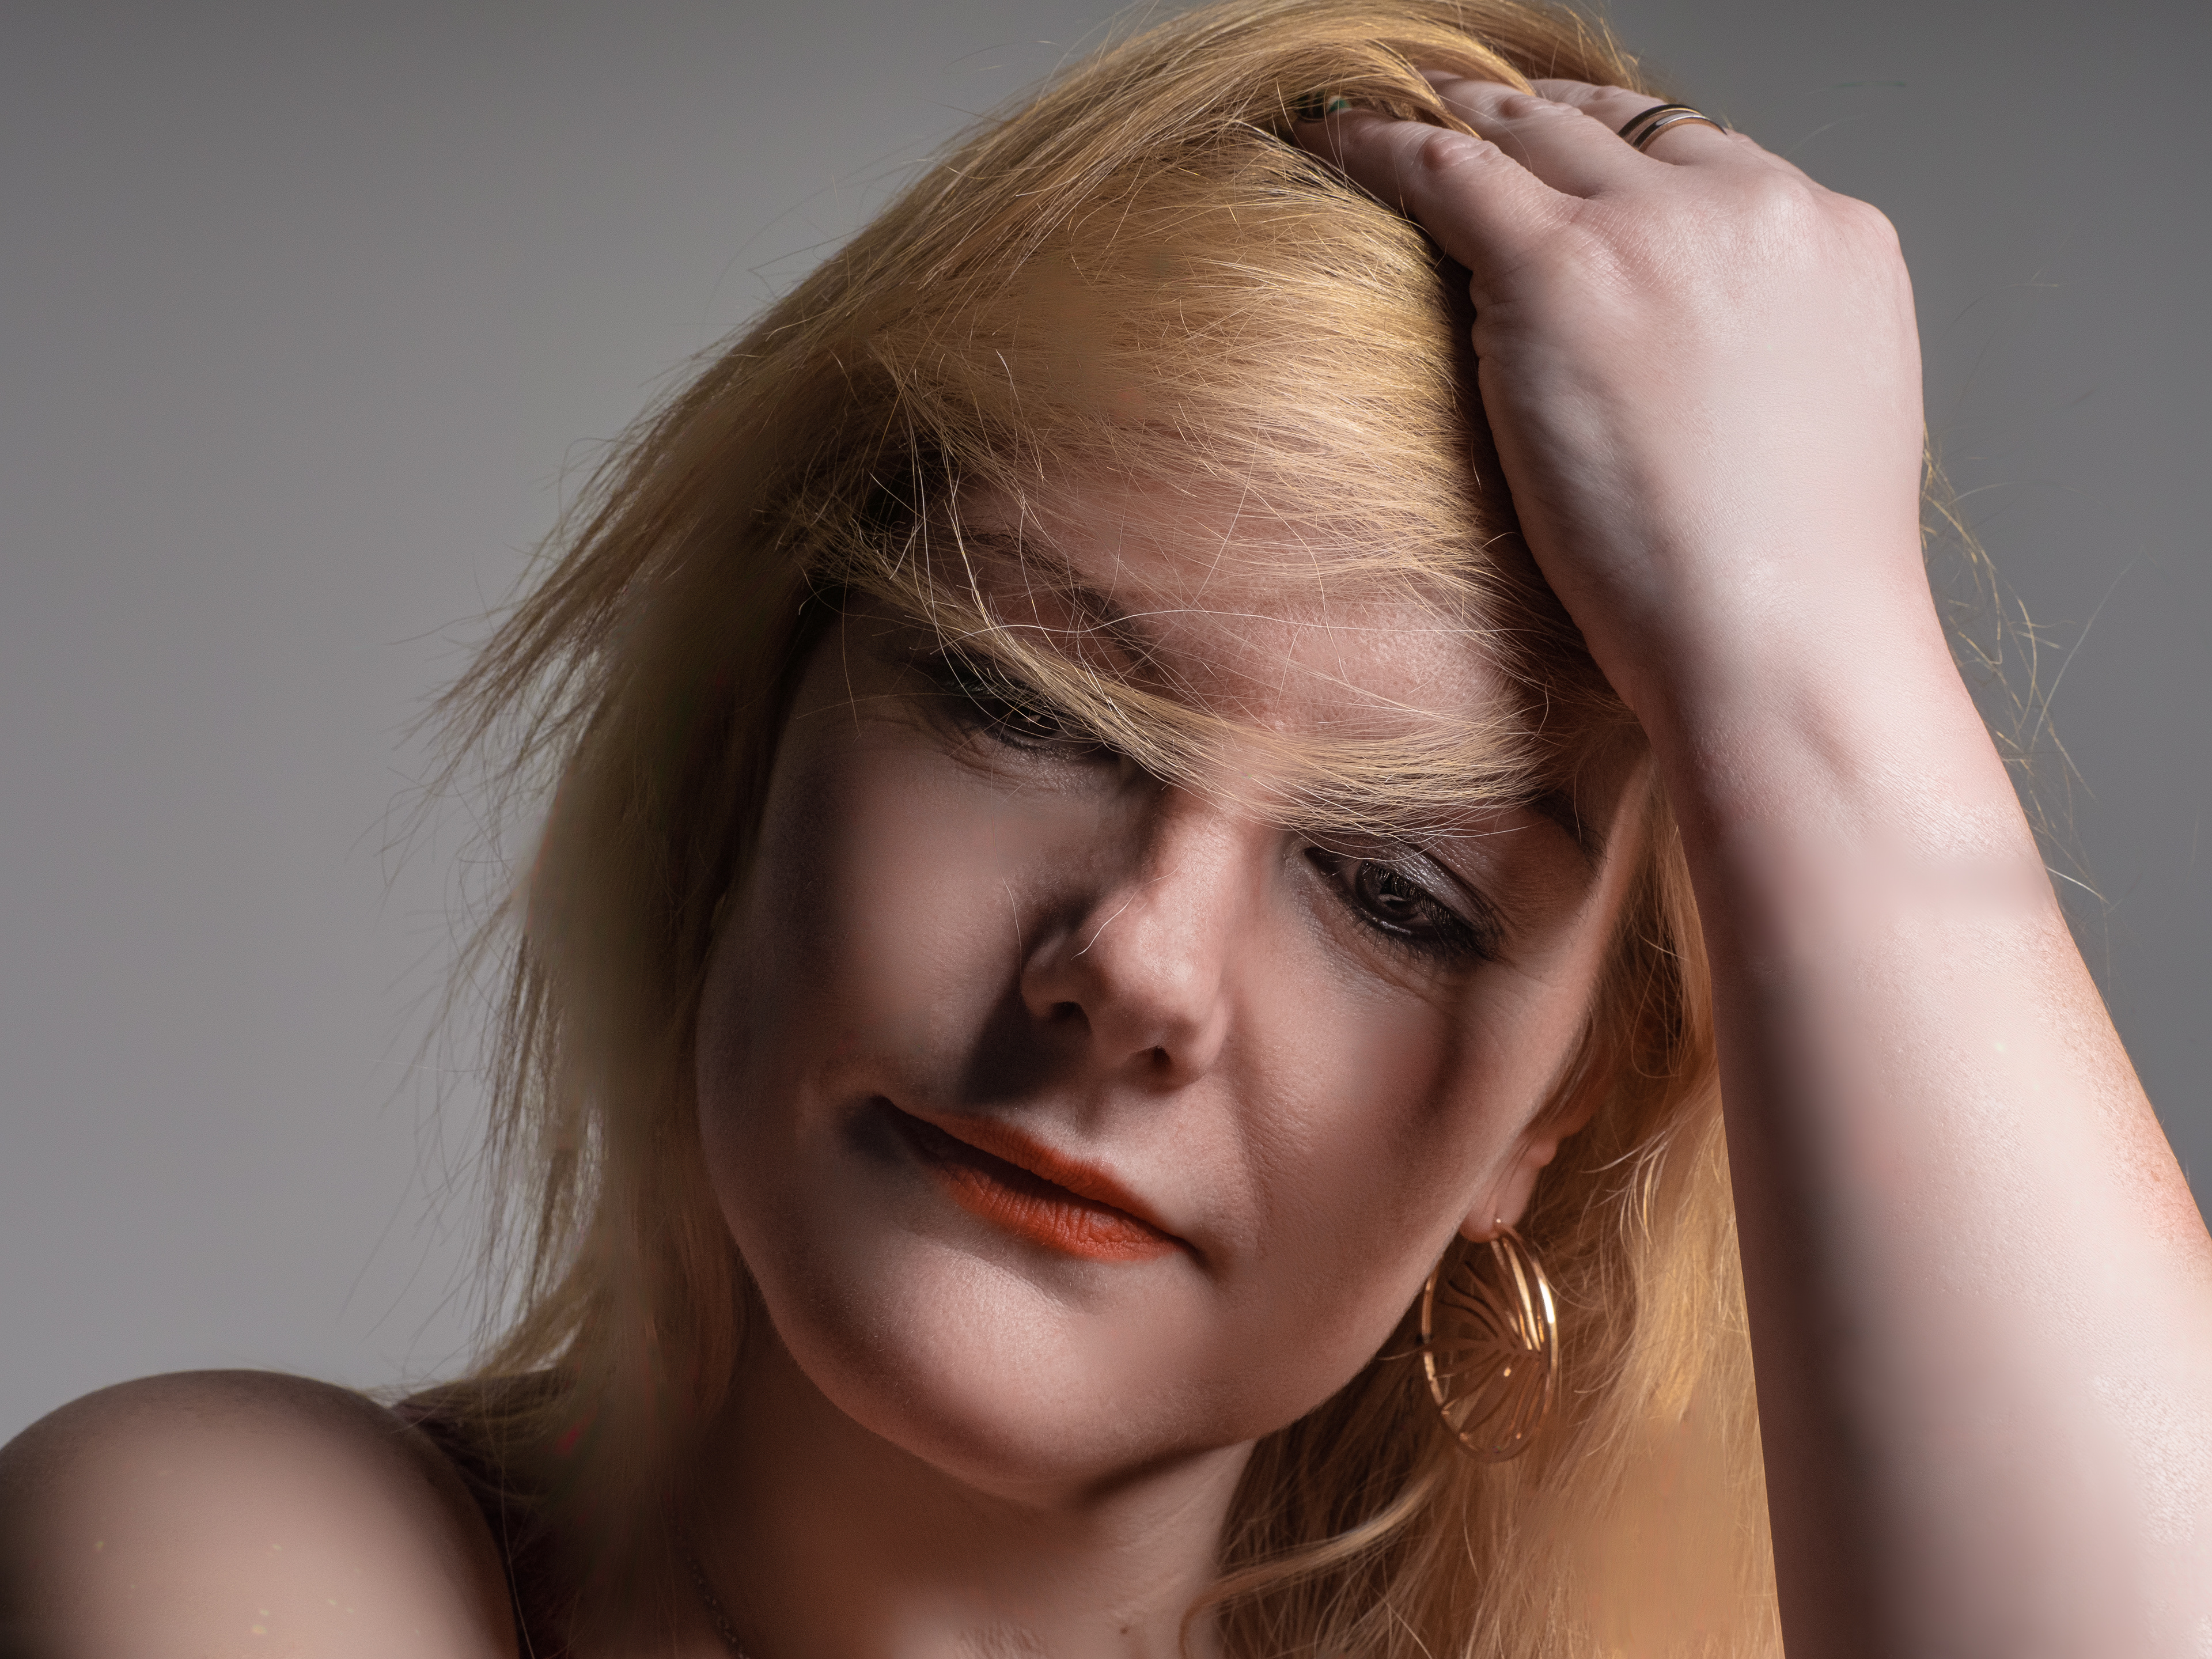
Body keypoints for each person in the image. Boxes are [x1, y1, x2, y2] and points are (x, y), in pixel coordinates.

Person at [3, 0, 2206, 1654]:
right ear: (761, 740)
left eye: (1396, 891)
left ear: (1559, 1114)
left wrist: (1811, 649)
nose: (1138, 963)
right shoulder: (236, 1552)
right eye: (1022, 701)